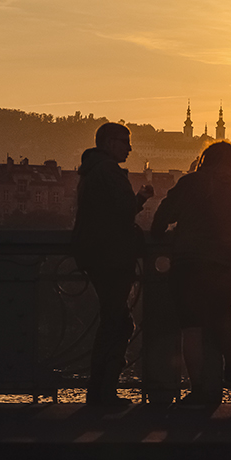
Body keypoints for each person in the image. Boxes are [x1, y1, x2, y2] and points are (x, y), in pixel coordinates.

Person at [151, 141, 231, 407]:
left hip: (188, 263)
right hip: (222, 264)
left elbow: (165, 213)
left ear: (206, 160)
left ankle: (198, 388)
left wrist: (159, 234)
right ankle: (230, 365)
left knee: (191, 327)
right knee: (223, 315)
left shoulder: (191, 183)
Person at [72, 122, 154, 407]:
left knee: (115, 321)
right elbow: (123, 211)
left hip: (96, 255)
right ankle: (102, 392)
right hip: (111, 257)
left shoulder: (91, 170)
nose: (129, 147)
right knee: (116, 324)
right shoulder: (109, 171)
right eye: (124, 141)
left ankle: (100, 391)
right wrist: (141, 198)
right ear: (108, 142)